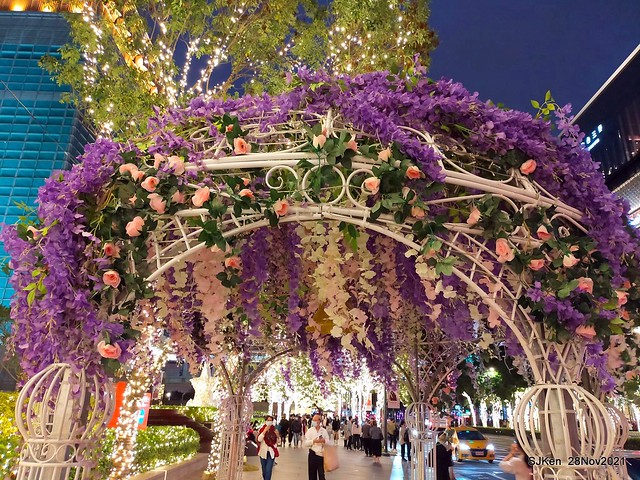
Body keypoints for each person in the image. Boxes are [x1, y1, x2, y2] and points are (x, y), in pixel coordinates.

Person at [304, 413, 330, 480]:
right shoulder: (310, 431)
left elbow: (328, 442)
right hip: (312, 454)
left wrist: (324, 441)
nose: (313, 422)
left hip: (321, 455)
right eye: (313, 420)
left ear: (319, 421)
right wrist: (313, 441)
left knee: (321, 475)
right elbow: (305, 443)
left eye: (315, 420)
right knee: (312, 475)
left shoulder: (323, 431)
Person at [257, 416, 280, 480]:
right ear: (265, 421)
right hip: (263, 452)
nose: (269, 422)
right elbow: (259, 439)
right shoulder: (262, 429)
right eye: (268, 420)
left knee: (268, 469)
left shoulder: (274, 429)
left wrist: (277, 435)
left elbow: (278, 442)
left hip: (271, 452)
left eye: (270, 420)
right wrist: (265, 431)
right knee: (264, 470)